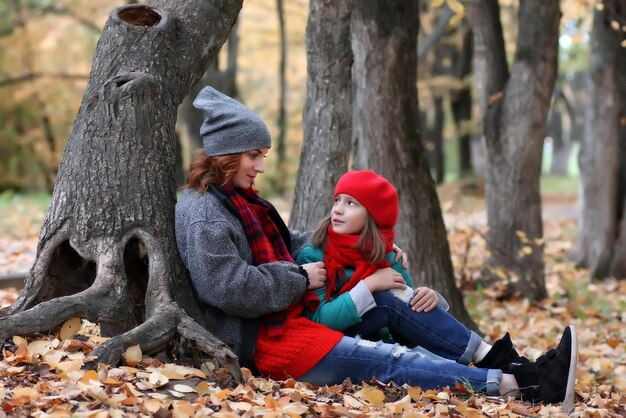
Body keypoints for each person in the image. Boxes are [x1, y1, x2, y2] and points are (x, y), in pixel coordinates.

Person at [175, 86, 578, 406]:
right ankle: (516, 386)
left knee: (390, 297)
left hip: (288, 320)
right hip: (266, 341)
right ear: (224, 153)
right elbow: (226, 287)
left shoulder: (241, 201)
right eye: (253, 156)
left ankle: (517, 365)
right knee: (391, 362)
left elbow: (290, 242)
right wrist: (297, 276)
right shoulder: (204, 212)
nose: (260, 166)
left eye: (262, 156)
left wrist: (375, 252)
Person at [297, 169, 506, 366]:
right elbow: (318, 319)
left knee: (454, 367)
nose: (338, 209)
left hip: (392, 347)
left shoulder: (389, 255)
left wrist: (431, 299)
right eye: (337, 200)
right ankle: (489, 356)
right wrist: (369, 285)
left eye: (351, 203)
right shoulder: (314, 255)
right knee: (383, 301)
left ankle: (505, 365)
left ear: (373, 217)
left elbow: (408, 314)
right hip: (340, 345)